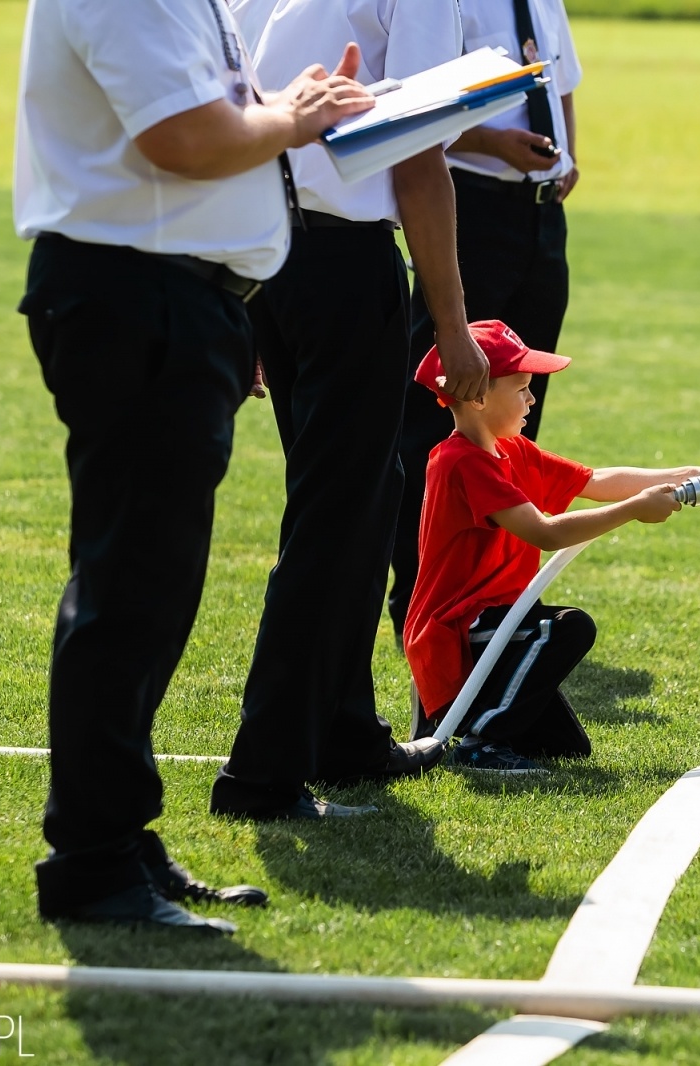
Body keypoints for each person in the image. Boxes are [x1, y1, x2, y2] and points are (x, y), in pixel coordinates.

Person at [14, 0, 375, 930]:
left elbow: (212, 122)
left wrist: (283, 103)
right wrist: (294, 118)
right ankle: (93, 864)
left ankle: (118, 844)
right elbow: (184, 139)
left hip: (174, 300)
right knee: (130, 591)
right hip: (137, 297)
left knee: (148, 591)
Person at [208, 0, 493, 820]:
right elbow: (419, 155)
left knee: (359, 500)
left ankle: (342, 730)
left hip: (274, 258)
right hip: (342, 266)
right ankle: (262, 772)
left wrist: (241, 282)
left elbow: (246, 127)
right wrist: (451, 324)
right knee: (336, 524)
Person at [404, 321, 700, 774]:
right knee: (567, 627)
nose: (531, 399)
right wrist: (635, 509)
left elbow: (596, 480)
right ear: (478, 398)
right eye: (522, 388)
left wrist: (685, 476)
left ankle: (463, 720)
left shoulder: (514, 450)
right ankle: (478, 742)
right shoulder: (462, 461)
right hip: (459, 630)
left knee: (565, 749)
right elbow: (546, 532)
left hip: (496, 625)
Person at [388, 0, 585, 635]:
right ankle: (423, 592)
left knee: (517, 411)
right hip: (467, 208)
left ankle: (498, 592)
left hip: (538, 214)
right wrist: (495, 142)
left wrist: (567, 156)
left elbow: (562, 84)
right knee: (442, 416)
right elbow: (416, 112)